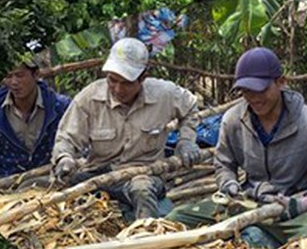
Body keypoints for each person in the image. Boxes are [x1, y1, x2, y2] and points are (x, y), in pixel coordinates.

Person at [167, 46, 307, 249]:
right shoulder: (233, 120)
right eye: (246, 91)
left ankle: (259, 239)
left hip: (289, 211)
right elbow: (224, 164)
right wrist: (229, 185)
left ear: (281, 82)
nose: (254, 98)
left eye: (261, 90)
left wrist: (305, 202)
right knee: (175, 219)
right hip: (245, 202)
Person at [50, 37, 202, 221]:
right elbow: (66, 137)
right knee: (60, 186)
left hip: (144, 173)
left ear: (143, 77)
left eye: (127, 83)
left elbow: (191, 108)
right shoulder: (90, 98)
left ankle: (146, 236)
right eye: (112, 80)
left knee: (142, 190)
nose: (118, 89)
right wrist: (64, 158)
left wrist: (186, 140)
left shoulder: (165, 94)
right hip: (100, 173)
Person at [0, 57, 70, 184]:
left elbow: (75, 140)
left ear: (36, 75)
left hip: (49, 181)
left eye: (19, 75)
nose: (14, 82)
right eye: (8, 76)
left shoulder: (59, 106)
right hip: (5, 184)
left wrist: (66, 160)